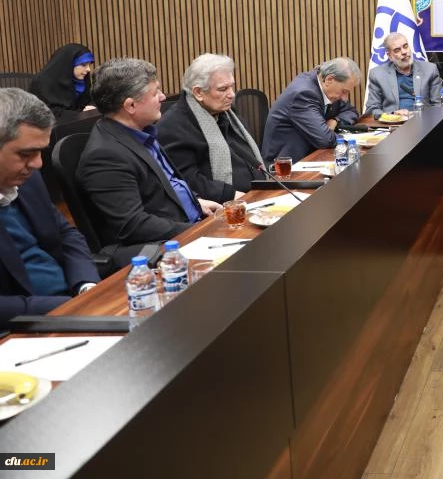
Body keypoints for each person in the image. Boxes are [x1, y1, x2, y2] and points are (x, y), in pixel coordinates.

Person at [77, 58, 221, 266]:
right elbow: (133, 225)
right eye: (155, 93)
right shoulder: (105, 156)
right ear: (131, 105)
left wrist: (195, 202)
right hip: (161, 249)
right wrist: (199, 230)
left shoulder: (141, 132)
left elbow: (166, 185)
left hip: (188, 224)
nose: (163, 97)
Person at [0, 89, 99, 325]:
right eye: (26, 154)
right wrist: (66, 307)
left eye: (40, 152)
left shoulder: (28, 180)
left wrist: (86, 286)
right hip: (18, 327)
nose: (38, 163)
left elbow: (65, 233)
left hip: (71, 305)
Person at [157, 54, 263, 203]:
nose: (232, 95)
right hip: (225, 205)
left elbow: (249, 159)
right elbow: (187, 181)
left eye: (231, 86)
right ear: (198, 92)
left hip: (259, 193)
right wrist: (231, 195)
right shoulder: (174, 126)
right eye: (223, 89)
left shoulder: (228, 114)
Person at [262, 57, 361, 164]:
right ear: (329, 80)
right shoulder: (304, 94)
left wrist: (335, 120)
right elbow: (325, 139)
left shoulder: (327, 90)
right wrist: (352, 143)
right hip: (286, 167)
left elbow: (351, 111)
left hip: (311, 157)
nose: (345, 98)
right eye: (344, 91)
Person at [364, 33, 443, 118]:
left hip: (423, 121)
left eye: (405, 46)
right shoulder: (377, 74)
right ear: (390, 56)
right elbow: (372, 109)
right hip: (392, 123)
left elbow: (439, 105)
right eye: (397, 50)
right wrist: (392, 114)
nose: (404, 52)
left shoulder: (429, 70)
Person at [28, 43, 97, 121]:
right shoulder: (41, 84)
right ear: (69, 64)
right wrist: (81, 114)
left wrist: (91, 107)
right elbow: (49, 113)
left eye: (89, 65)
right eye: (83, 65)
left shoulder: (82, 80)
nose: (88, 69)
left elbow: (90, 99)